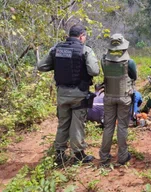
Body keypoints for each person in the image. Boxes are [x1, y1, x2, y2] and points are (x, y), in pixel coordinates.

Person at [37, 24, 99, 164]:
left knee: (63, 123)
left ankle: (59, 155)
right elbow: (94, 71)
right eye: (85, 36)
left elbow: (41, 66)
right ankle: (78, 155)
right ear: (81, 36)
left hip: (62, 94)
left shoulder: (56, 49)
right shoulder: (85, 50)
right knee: (77, 124)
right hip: (79, 94)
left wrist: (57, 64)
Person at [99, 33, 137, 166]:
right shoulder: (129, 62)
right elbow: (134, 76)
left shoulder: (104, 60)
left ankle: (104, 156)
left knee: (108, 126)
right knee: (122, 126)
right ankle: (122, 156)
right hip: (124, 97)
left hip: (109, 96)